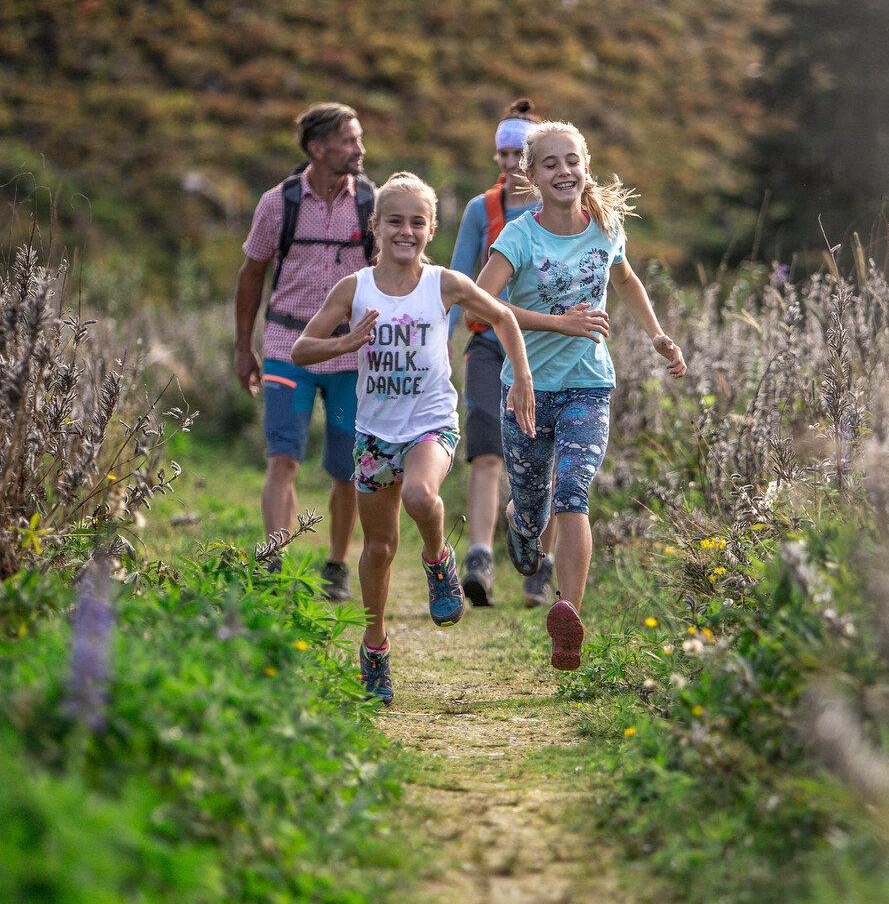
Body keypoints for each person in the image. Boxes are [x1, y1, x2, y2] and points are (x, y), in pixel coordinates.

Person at [289, 173, 538, 705]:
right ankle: (375, 646)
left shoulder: (444, 283)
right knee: (377, 547)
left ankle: (438, 560)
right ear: (375, 227)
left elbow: (504, 318)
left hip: (431, 422)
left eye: (417, 222)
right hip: (374, 433)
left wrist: (521, 377)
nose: (406, 231)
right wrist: (347, 343)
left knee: (424, 496)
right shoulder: (353, 288)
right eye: (395, 221)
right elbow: (301, 350)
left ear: (431, 230)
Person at [474, 121, 687, 671]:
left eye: (572, 161)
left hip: (588, 385)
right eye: (550, 164)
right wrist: (557, 323)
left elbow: (626, 281)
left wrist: (658, 335)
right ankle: (521, 525)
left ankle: (568, 616)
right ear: (531, 174)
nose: (563, 171)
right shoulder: (520, 236)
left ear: (586, 166)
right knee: (531, 498)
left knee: (573, 489)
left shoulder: (606, 227)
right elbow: (480, 304)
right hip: (525, 389)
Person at [232, 103, 372, 599]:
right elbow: (252, 275)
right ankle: (274, 561)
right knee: (283, 456)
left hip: (351, 357)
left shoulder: (371, 204)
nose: (359, 149)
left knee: (346, 467)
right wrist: (243, 346)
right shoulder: (279, 204)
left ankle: (335, 567)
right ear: (318, 149)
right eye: (349, 141)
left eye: (358, 139)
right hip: (286, 351)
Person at [447, 98, 545, 609]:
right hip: (487, 345)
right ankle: (480, 559)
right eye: (502, 154)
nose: (509, 164)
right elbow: (457, 280)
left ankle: (536, 562)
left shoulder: (560, 209)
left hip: (547, 347)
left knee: (540, 455)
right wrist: (439, 338)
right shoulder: (479, 211)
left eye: (519, 154)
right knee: (486, 451)